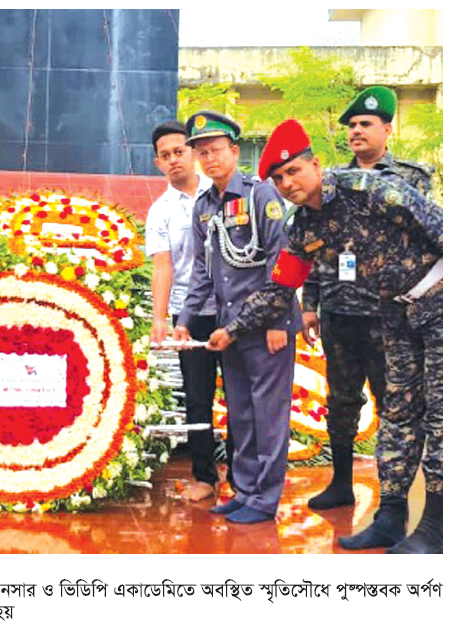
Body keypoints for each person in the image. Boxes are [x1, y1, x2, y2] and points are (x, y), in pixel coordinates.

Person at [244, 118, 442, 553]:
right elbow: (280, 288)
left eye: (293, 170)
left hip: (437, 302)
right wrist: (231, 329)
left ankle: (435, 527)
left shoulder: (370, 190)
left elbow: (439, 228)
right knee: (399, 415)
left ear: (315, 164)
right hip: (394, 312)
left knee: (440, 415)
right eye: (278, 178)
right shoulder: (305, 228)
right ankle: (390, 517)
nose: (287, 183)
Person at [299, 86, 434, 510]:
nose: (356, 131)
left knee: (394, 405)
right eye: (352, 126)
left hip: (389, 315)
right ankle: (340, 483)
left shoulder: (410, 180)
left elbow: (423, 241)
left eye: (365, 124)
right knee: (341, 401)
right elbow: (318, 247)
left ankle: (391, 501)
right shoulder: (331, 184)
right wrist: (309, 304)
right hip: (340, 310)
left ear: (388, 129)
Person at [174, 111, 300, 524]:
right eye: (202, 152)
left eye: (216, 150)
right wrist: (187, 319)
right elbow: (203, 271)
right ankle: (245, 491)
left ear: (234, 150)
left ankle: (265, 499)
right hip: (229, 328)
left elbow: (280, 266)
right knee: (241, 414)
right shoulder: (205, 206)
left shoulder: (261, 195)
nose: (209, 159)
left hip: (265, 329)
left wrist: (279, 323)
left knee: (268, 416)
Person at [146, 120, 219, 502]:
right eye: (165, 155)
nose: (174, 159)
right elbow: (163, 265)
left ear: (193, 152)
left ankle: (245, 476)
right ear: (158, 162)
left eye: (179, 151)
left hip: (231, 310)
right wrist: (161, 318)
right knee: (197, 396)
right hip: (188, 317)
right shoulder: (160, 211)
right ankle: (204, 477)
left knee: (240, 394)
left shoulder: (224, 193)